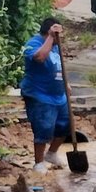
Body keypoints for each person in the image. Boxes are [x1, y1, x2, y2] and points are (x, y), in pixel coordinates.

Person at [20, 17, 70, 172]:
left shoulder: (55, 46)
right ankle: (39, 162)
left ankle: (52, 153)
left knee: (65, 126)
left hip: (58, 95)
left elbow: (59, 65)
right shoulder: (33, 43)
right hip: (39, 94)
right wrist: (51, 37)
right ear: (49, 32)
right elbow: (40, 57)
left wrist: (66, 84)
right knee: (44, 128)